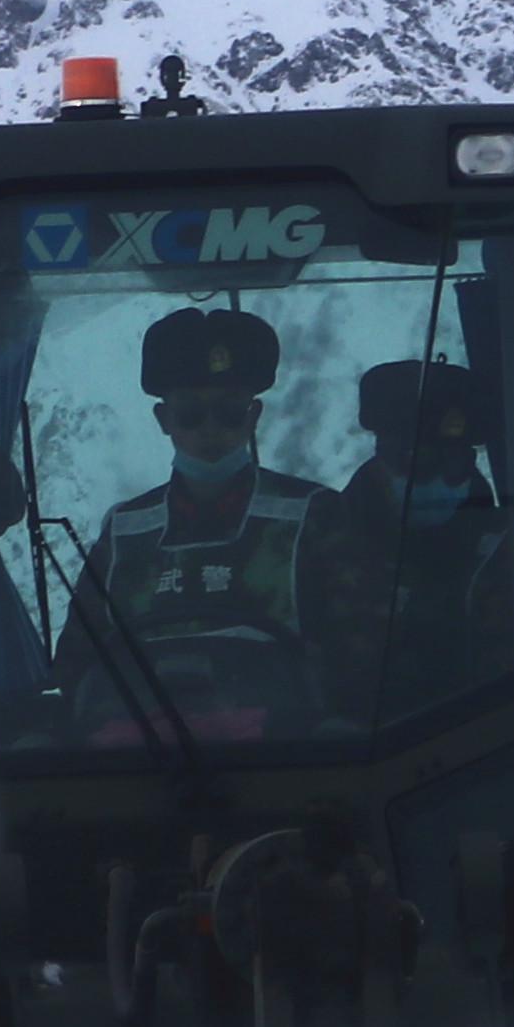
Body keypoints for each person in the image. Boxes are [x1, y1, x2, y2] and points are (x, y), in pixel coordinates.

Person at [65, 307, 321, 736]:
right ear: (164, 421)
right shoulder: (124, 530)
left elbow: (356, 651)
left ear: (253, 417)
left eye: (229, 412)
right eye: (190, 415)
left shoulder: (314, 516)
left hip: (287, 756)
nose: (210, 430)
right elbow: (76, 661)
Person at [303, 358, 514, 718]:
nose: (432, 480)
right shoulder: (311, 552)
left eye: (452, 465)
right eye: (412, 463)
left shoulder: (513, 553)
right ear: (379, 460)